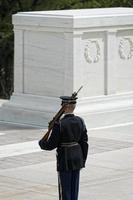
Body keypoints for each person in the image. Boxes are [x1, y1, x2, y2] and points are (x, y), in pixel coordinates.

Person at [39, 95, 88, 200]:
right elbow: (84, 142)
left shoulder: (60, 124)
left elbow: (51, 145)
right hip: (77, 158)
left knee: (65, 191)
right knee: (74, 190)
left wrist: (42, 143)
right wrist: (83, 159)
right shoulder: (81, 121)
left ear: (64, 107)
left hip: (65, 159)